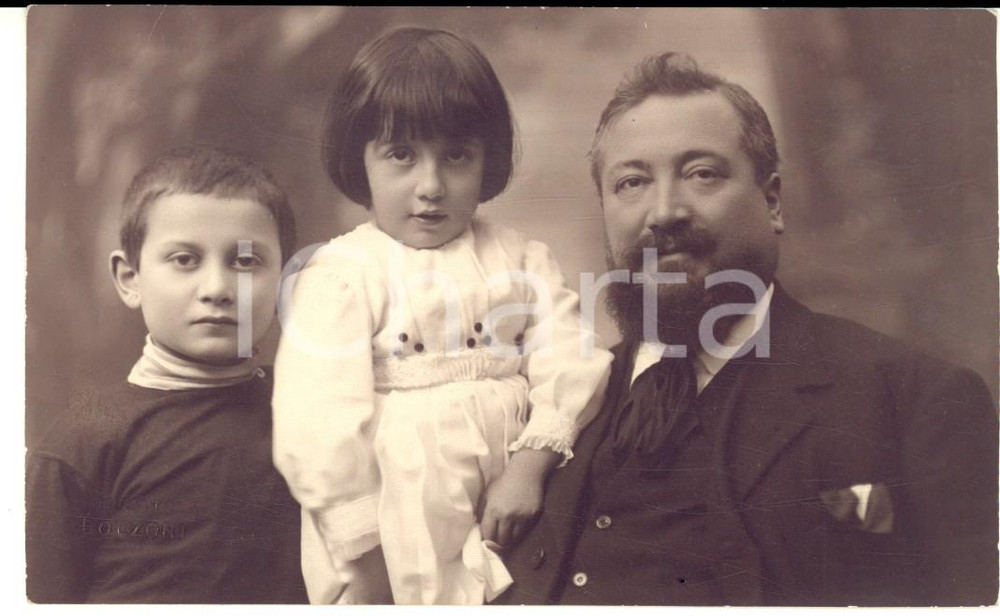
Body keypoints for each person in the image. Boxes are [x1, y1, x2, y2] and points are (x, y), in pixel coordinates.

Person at [495, 52, 998, 606]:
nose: (663, 211)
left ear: (773, 201)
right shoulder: (543, 405)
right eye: (632, 182)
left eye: (701, 173)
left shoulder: (915, 401)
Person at [271, 27, 612, 606]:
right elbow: (317, 423)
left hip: (519, 507)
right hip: (395, 527)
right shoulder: (342, 271)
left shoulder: (522, 260)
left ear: (488, 159)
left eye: (455, 156)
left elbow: (573, 359)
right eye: (400, 156)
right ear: (361, 158)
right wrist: (365, 556)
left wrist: (530, 468)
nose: (430, 186)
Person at [25, 146, 307, 603]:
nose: (216, 289)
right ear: (129, 278)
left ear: (285, 282)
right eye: (184, 260)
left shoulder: (315, 409)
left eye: (245, 262)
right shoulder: (85, 442)